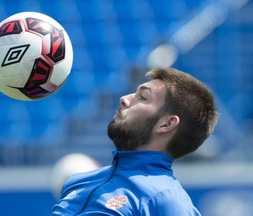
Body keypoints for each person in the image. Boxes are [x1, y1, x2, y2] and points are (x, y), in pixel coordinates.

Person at [52, 67, 218, 215]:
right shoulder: (78, 182)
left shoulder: (165, 200)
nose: (124, 99)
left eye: (143, 97)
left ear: (166, 124)